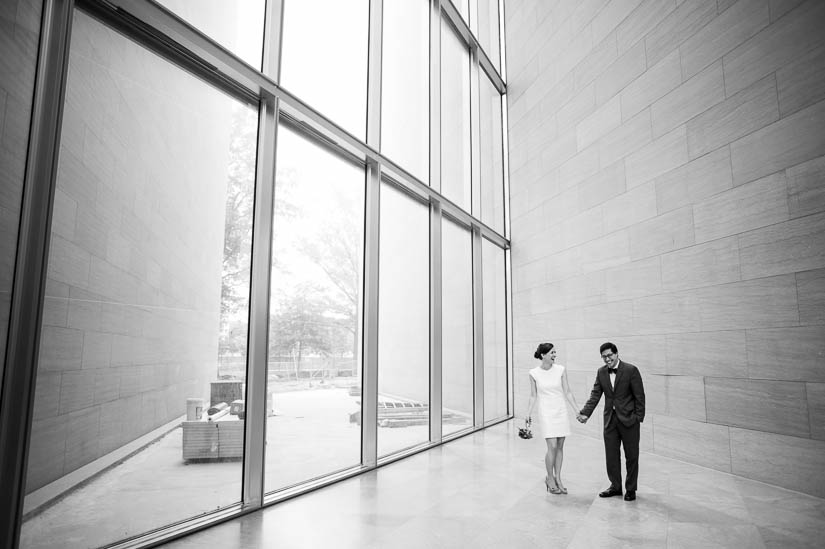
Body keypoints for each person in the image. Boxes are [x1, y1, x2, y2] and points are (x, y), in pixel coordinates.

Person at [577, 342, 645, 501]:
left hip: (629, 420)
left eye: (609, 355)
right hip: (610, 421)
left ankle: (631, 489)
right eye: (604, 357)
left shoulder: (631, 370)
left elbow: (640, 397)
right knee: (611, 456)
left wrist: (637, 418)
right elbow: (595, 394)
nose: (607, 359)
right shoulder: (601, 372)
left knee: (632, 456)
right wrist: (585, 413)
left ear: (616, 354)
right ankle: (615, 486)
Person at [526, 342, 580, 495]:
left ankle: (559, 478)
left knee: (560, 446)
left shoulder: (561, 370)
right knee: (552, 446)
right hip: (546, 412)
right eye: (552, 353)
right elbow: (533, 395)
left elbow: (568, 392)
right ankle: (549, 478)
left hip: (560, 410)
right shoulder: (533, 373)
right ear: (543, 355)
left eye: (555, 352)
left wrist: (577, 410)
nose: (555, 355)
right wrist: (528, 413)